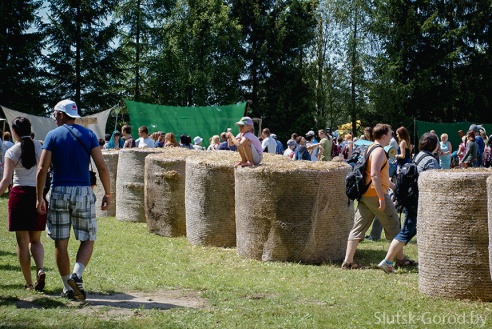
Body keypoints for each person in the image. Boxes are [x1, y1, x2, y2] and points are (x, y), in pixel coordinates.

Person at [36, 99, 111, 301]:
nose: (53, 117)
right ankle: (77, 274)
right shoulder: (89, 135)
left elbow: (42, 169)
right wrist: (108, 193)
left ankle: (67, 286)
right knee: (88, 237)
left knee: (61, 243)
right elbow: (102, 166)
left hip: (59, 190)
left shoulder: (52, 135)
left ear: (61, 114)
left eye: (54, 113)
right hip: (83, 191)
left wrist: (40, 197)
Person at [378, 132, 440, 273]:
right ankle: (387, 261)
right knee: (407, 232)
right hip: (417, 201)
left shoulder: (418, 156)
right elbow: (433, 183)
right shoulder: (430, 160)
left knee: (411, 230)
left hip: (409, 198)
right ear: (435, 145)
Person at [342, 124, 401, 269]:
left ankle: (348, 262)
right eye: (390, 134)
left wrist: (395, 187)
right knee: (394, 226)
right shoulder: (379, 151)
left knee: (358, 229)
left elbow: (378, 175)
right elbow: (374, 174)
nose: (392, 137)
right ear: (383, 136)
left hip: (365, 195)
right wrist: (382, 197)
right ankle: (401, 259)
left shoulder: (370, 147)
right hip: (375, 194)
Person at [0, 117, 46, 290]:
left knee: (22, 243)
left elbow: (5, 181)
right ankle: (40, 269)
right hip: (37, 195)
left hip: (19, 196)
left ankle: (28, 283)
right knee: (36, 241)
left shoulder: (11, 151)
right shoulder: (40, 147)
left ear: (14, 132)